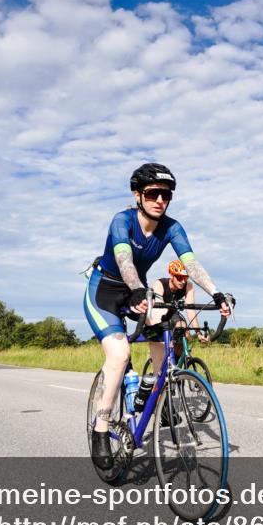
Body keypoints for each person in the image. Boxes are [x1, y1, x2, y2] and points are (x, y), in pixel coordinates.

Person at [83, 163, 233, 469]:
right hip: (106, 293)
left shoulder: (172, 228)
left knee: (166, 336)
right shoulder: (122, 220)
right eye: (153, 193)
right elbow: (124, 259)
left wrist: (216, 293)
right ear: (137, 194)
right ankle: (100, 429)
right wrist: (138, 289)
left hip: (137, 291)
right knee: (120, 354)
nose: (160, 200)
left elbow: (190, 263)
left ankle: (154, 393)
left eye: (166, 194)